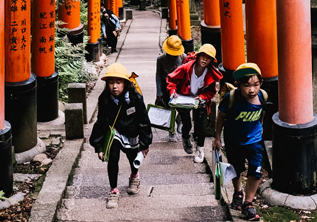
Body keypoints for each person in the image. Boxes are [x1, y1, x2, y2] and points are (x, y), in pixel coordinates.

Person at [89, 62, 152, 209]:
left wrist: (145, 144)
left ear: (125, 82)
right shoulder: (104, 98)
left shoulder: (135, 97)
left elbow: (143, 120)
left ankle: (134, 176)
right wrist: (99, 146)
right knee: (113, 156)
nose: (115, 86)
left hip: (132, 132)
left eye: (118, 82)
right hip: (115, 132)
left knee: (132, 157)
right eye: (111, 82)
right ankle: (113, 190)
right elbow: (101, 122)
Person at [212, 62, 267, 222]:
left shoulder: (262, 96)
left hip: (254, 140)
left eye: (256, 85)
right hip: (234, 140)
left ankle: (248, 204)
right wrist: (217, 138)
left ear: (261, 84)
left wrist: (261, 126)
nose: (252, 90)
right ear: (238, 85)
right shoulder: (232, 98)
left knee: (256, 170)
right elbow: (221, 117)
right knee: (236, 168)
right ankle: (237, 192)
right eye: (247, 85)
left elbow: (262, 111)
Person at [166, 43, 222, 163]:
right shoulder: (186, 68)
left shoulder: (211, 73)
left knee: (200, 125)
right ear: (198, 56)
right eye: (203, 56)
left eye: (208, 58)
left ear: (211, 61)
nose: (205, 59)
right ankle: (185, 138)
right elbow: (171, 80)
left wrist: (202, 97)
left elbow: (211, 92)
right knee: (186, 124)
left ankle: (200, 149)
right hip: (184, 99)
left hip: (199, 101)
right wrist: (173, 92)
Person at [155, 35, 185, 141]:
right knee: (169, 109)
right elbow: (158, 75)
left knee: (183, 108)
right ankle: (171, 131)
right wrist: (159, 92)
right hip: (166, 87)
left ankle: (180, 120)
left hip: (180, 87)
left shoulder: (183, 58)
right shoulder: (161, 59)